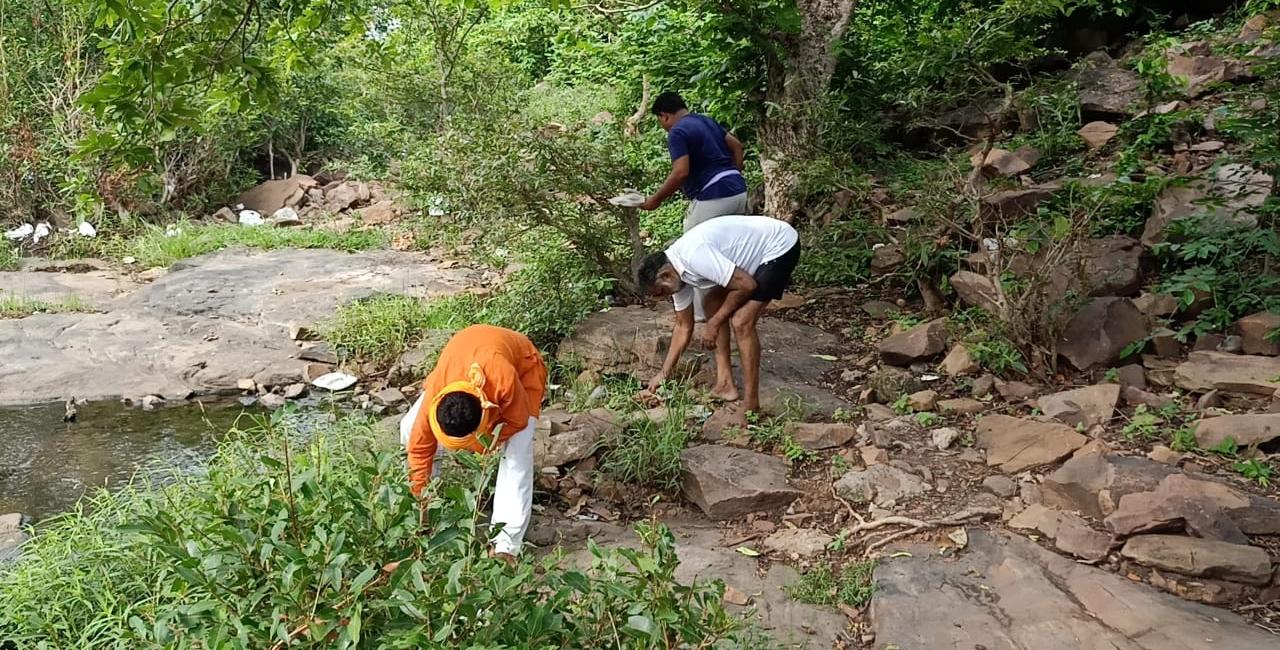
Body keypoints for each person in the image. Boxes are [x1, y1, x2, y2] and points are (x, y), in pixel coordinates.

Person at [399, 324, 546, 564]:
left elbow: (517, 420)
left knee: (516, 456)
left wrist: (483, 446)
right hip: (461, 362)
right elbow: (419, 448)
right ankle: (426, 510)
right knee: (409, 429)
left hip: (522, 367)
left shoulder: (504, 380)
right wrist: (419, 502)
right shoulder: (435, 399)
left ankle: (505, 546)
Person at [637, 215, 799, 423]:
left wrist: (714, 323)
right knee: (712, 303)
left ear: (666, 276)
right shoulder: (675, 276)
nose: (663, 298)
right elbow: (683, 326)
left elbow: (747, 285)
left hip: (779, 245)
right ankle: (725, 384)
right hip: (753, 257)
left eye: (660, 293)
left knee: (742, 322)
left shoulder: (695, 256)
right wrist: (664, 373)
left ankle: (751, 405)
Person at [641, 91, 748, 321]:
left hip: (713, 196)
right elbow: (737, 146)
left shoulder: (678, 131)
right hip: (738, 191)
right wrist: (731, 175)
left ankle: (700, 314)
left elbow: (681, 171)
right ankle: (731, 303)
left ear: (665, 116)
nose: (662, 126)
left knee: (691, 252)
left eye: (660, 121)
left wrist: (656, 200)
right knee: (725, 250)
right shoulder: (705, 120)